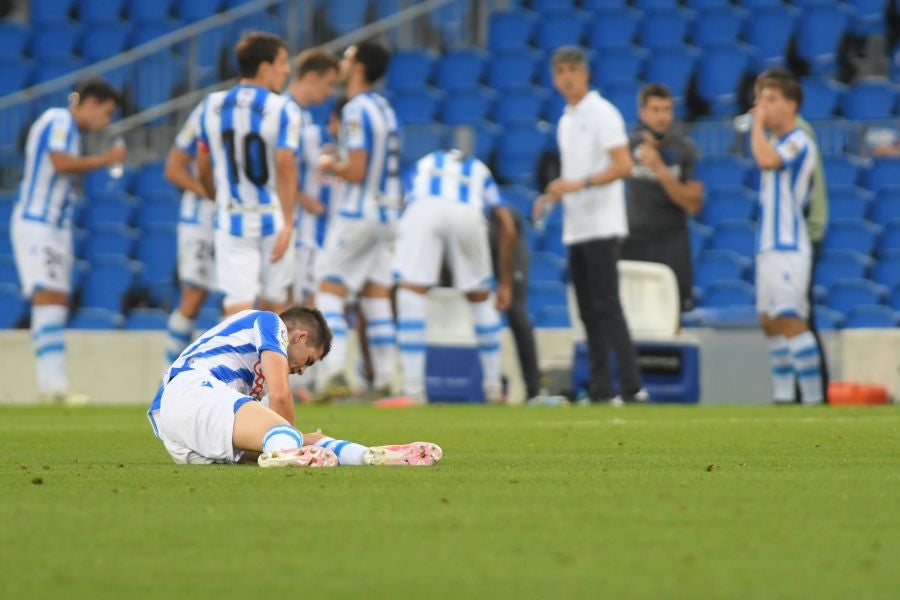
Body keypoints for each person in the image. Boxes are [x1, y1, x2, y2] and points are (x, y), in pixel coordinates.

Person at [147, 305, 442, 467]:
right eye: (309, 361)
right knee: (286, 436)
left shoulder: (253, 376)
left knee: (279, 443)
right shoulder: (270, 322)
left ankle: (369, 455)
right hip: (193, 390)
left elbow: (266, 428)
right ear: (299, 337)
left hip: (181, 433)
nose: (301, 371)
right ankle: (289, 454)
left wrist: (303, 438)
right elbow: (280, 395)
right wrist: (293, 436)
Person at [535, 46, 646, 405]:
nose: (566, 78)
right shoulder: (566, 120)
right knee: (587, 309)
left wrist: (579, 184)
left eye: (572, 70)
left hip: (602, 223)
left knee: (607, 304)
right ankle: (601, 387)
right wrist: (555, 193)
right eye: (560, 72)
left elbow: (623, 165)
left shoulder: (602, 112)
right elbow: (576, 175)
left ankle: (632, 385)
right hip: (577, 225)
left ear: (585, 74)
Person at [11, 78, 125, 405]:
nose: (106, 121)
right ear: (90, 103)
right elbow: (60, 162)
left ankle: (52, 385)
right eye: (106, 112)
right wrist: (106, 159)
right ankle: (52, 386)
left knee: (55, 301)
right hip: (38, 223)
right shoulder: (58, 120)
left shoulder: (70, 130)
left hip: (55, 227)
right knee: (48, 298)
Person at [394, 148, 517, 403]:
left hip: (424, 209)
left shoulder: (424, 162)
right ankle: (493, 387)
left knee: (410, 292)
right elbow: (508, 225)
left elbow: (401, 202)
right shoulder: (479, 169)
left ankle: (413, 390)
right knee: (480, 297)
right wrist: (505, 283)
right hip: (468, 212)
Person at [315, 41, 400, 400]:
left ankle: (335, 372)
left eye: (348, 58)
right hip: (388, 212)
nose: (342, 63)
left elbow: (356, 169)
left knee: (328, 289)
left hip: (358, 212)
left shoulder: (353, 110)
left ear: (360, 67)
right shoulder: (384, 108)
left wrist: (329, 164)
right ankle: (386, 379)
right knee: (375, 294)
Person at [196, 32, 300, 318]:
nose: (287, 70)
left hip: (232, 218)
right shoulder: (283, 108)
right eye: (282, 62)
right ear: (265, 68)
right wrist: (289, 222)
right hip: (273, 218)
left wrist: (218, 199)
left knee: (237, 309)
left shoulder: (210, 105)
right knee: (276, 309)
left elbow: (202, 165)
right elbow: (285, 163)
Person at [754, 68, 830, 403]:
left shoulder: (799, 140)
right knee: (769, 321)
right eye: (760, 100)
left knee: (791, 317)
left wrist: (755, 125)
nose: (763, 107)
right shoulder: (776, 141)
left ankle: (813, 400)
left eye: (770, 99)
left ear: (791, 105)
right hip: (768, 244)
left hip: (790, 243)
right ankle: (784, 398)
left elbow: (766, 160)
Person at [622, 83, 704, 312]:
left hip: (671, 241)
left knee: (674, 311)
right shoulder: (627, 148)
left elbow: (693, 204)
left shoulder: (684, 150)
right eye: (655, 110)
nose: (662, 116)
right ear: (642, 113)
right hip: (635, 241)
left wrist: (660, 169)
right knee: (633, 312)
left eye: (667, 109)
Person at [162, 102, 218, 366]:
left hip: (236, 220)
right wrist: (209, 193)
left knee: (236, 299)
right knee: (194, 295)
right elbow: (173, 168)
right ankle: (168, 374)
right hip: (201, 219)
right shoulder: (206, 111)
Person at [283, 49, 341, 305]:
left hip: (299, 225)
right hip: (285, 222)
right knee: (285, 300)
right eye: (328, 83)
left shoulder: (303, 116)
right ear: (311, 77)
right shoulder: (283, 111)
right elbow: (274, 164)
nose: (330, 92)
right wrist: (300, 197)